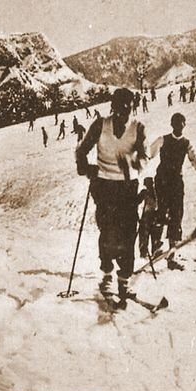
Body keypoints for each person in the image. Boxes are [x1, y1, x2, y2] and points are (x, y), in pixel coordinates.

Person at [75, 88, 148, 301]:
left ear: (131, 109)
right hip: (104, 186)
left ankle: (124, 280)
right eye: (117, 111)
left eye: (126, 111)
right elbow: (82, 150)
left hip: (127, 187)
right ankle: (106, 275)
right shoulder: (100, 125)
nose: (121, 116)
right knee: (107, 231)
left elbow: (144, 157)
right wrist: (87, 169)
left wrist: (135, 164)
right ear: (112, 108)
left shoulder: (138, 128)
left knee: (128, 234)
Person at [149, 112, 196, 270]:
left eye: (182, 123)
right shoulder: (162, 140)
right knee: (161, 212)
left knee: (176, 215)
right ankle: (156, 247)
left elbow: (195, 160)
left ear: (184, 125)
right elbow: (148, 154)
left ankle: (171, 256)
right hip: (163, 181)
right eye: (176, 123)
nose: (179, 126)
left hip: (176, 182)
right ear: (172, 124)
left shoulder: (186, 143)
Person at [137, 177, 158, 258]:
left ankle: (150, 253)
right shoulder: (148, 192)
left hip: (150, 216)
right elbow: (137, 201)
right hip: (150, 216)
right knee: (145, 236)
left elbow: (136, 201)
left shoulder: (148, 192)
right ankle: (145, 253)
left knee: (146, 235)